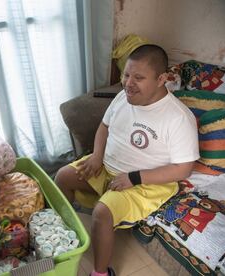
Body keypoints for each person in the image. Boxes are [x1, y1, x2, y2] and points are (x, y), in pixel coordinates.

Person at [55, 44, 199, 276]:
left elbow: (184, 169)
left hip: (145, 183)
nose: (128, 83)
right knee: (63, 176)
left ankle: (101, 272)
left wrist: (134, 177)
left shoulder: (178, 118)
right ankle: (64, 236)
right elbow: (104, 126)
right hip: (108, 168)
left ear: (161, 78)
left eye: (139, 77)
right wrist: (97, 156)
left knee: (102, 213)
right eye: (127, 74)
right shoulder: (124, 96)